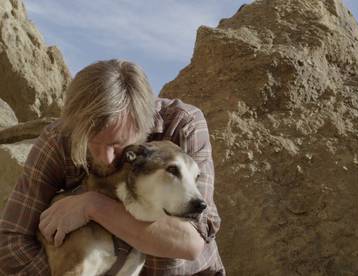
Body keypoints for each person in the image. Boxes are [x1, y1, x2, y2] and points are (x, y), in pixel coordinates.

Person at [0, 59, 225, 275]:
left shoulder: (183, 124)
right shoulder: (59, 137)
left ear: (144, 127)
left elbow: (190, 243)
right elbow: (10, 242)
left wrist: (93, 206)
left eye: (117, 145)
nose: (106, 159)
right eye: (91, 143)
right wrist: (70, 266)